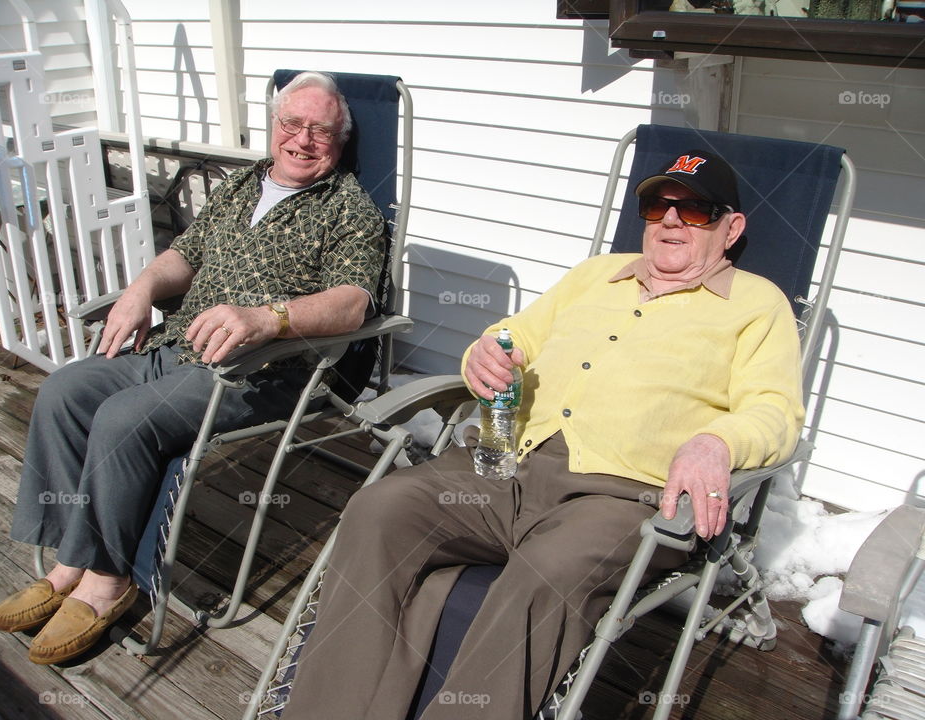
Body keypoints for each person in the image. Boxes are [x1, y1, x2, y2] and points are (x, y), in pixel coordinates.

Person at [280, 150, 806, 720]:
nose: (671, 221)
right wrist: (486, 351)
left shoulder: (757, 305)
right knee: (379, 510)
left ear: (732, 229)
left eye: (696, 210)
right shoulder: (594, 276)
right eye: (658, 206)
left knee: (547, 572)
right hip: (501, 468)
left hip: (617, 497)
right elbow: (514, 335)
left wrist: (717, 443)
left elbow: (774, 410)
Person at [0, 71, 387, 665]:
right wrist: (142, 287)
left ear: (340, 139)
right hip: (175, 346)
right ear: (273, 127)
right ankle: (71, 557)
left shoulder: (350, 209)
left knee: (124, 419)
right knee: (67, 390)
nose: (303, 139)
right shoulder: (241, 186)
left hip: (256, 371)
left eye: (320, 130)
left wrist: (267, 318)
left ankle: (107, 581)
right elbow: (184, 255)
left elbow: (355, 301)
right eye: (292, 124)